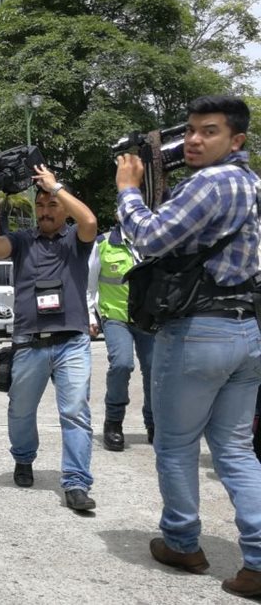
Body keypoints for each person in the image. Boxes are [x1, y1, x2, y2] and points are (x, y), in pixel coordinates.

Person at [115, 95, 261, 597]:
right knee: (237, 451)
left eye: (210, 131)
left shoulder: (212, 182)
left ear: (236, 140)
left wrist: (128, 191)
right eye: (192, 130)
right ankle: (259, 559)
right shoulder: (254, 184)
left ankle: (181, 541)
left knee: (176, 446)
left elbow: (150, 238)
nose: (194, 140)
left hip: (199, 330)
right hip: (246, 330)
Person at [0, 163, 99, 512]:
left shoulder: (76, 240)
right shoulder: (22, 241)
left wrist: (55, 186)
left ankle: (76, 483)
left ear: (63, 206)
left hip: (71, 341)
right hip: (29, 341)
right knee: (21, 410)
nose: (46, 211)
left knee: (75, 411)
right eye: (41, 205)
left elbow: (90, 222)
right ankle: (23, 457)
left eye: (52, 205)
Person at [85, 226, 155, 450]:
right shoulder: (103, 243)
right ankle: (113, 422)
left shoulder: (155, 239)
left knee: (154, 369)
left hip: (148, 319)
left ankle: (155, 424)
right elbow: (88, 283)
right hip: (115, 316)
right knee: (122, 363)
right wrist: (90, 315)